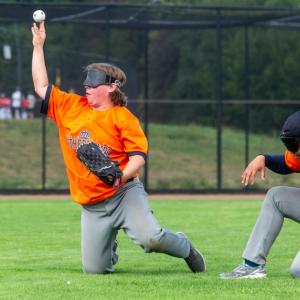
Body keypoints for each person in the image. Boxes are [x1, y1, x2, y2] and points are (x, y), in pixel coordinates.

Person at [31, 21, 206, 274]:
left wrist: (120, 176)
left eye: (93, 83)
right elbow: (41, 86)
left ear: (112, 87)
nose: (86, 87)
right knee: (95, 271)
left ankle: (185, 246)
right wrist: (38, 47)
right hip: (91, 204)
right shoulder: (70, 106)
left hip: (124, 193)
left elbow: (138, 159)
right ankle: (108, 244)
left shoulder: (124, 118)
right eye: (86, 83)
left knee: (152, 239)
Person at [219, 111, 300, 280]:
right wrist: (264, 158)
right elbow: (286, 164)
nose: (295, 153)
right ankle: (253, 266)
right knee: (276, 196)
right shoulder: (296, 154)